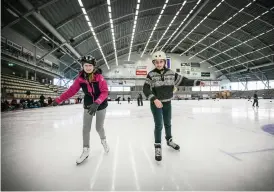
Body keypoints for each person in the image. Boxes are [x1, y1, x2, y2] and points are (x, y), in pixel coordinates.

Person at [143, 51, 205, 161]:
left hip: (167, 103)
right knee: (159, 125)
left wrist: (197, 82)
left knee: (168, 123)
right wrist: (154, 99)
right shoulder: (151, 75)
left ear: (164, 62)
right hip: (156, 103)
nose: (159, 64)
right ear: (154, 63)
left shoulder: (171, 74)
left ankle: (169, 141)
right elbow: (146, 89)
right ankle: (158, 147)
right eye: (156, 62)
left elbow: (184, 81)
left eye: (161, 61)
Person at [52, 56, 110, 165]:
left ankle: (104, 140)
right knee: (85, 128)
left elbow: (105, 92)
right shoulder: (80, 78)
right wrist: (59, 99)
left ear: (94, 66)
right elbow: (71, 91)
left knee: (99, 127)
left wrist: (97, 102)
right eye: (86, 65)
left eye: (90, 65)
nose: (88, 68)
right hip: (88, 103)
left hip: (101, 104)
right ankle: (86, 150)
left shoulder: (99, 77)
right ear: (82, 66)